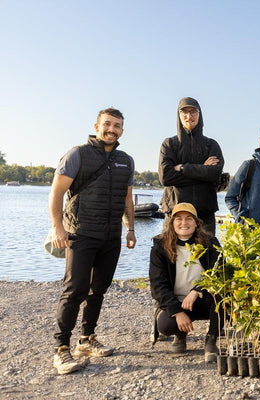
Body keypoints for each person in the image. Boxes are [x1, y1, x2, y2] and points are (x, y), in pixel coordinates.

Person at [48, 107, 136, 375]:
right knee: (75, 289)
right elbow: (57, 192)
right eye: (107, 124)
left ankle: (86, 340)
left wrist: (130, 228)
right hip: (81, 233)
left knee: (98, 289)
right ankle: (61, 349)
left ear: (122, 131)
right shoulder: (77, 154)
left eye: (117, 126)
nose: (112, 129)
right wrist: (58, 228)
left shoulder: (126, 160)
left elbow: (127, 198)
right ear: (97, 126)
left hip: (111, 236)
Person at [149, 203, 222, 361]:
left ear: (196, 223)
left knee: (224, 297)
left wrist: (197, 290)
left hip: (203, 299)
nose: (184, 223)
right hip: (177, 301)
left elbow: (218, 272)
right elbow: (158, 286)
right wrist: (177, 312)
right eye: (179, 219)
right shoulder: (160, 248)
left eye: (189, 218)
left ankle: (211, 339)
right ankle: (180, 334)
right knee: (165, 326)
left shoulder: (210, 243)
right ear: (172, 223)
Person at [159, 97, 224, 235]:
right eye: (184, 112)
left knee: (207, 249)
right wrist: (202, 169)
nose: (189, 116)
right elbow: (166, 177)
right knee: (169, 250)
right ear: (179, 115)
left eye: (193, 112)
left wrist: (183, 168)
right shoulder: (169, 144)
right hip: (175, 215)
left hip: (204, 217)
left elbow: (214, 174)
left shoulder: (211, 145)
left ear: (199, 114)